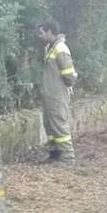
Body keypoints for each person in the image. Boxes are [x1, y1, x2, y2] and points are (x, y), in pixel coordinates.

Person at [36, 20, 79, 164]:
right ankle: (54, 154)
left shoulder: (60, 48)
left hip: (57, 95)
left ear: (49, 32)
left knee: (59, 124)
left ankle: (67, 158)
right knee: (49, 125)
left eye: (41, 33)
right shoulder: (51, 48)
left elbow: (69, 75)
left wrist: (64, 88)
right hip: (50, 95)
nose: (39, 36)